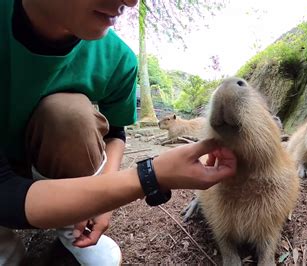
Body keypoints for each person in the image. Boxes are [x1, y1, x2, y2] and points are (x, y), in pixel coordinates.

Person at [0, 0, 237, 265]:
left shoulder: (118, 59)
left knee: (68, 113)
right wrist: (150, 176)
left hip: (44, 158)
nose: (131, 2)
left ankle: (73, 225)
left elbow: (116, 132)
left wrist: (101, 200)